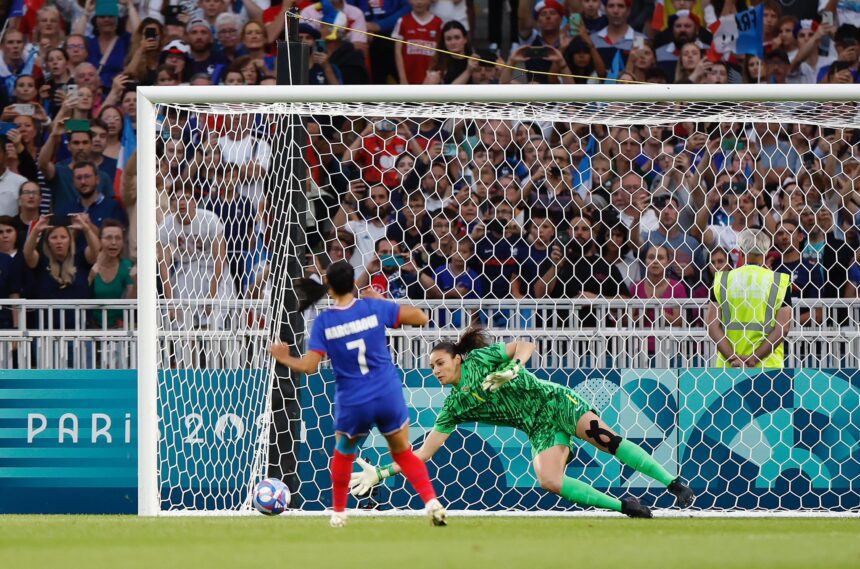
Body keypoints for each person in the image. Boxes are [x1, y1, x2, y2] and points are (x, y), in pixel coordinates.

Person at [348, 327, 695, 517]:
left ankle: (673, 482)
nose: (436, 371)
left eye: (440, 363)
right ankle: (626, 507)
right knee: (549, 481)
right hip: (538, 427)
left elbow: (524, 345)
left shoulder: (482, 359)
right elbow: (422, 453)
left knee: (604, 439)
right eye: (432, 368)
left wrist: (514, 367)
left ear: (457, 358)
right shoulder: (454, 407)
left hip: (555, 402)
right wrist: (380, 473)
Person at [269, 261, 447, 528]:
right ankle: (431, 501)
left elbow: (309, 367)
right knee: (402, 454)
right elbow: (422, 317)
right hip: (387, 393)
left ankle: (339, 513)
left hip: (354, 400)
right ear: (354, 282)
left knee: (343, 452)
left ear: (327, 282)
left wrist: (284, 357)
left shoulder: (325, 322)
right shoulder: (373, 307)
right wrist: (382, 299)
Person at [707, 229, 792, 369]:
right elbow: (782, 328)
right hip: (768, 365)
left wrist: (733, 359)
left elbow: (712, 326)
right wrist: (754, 359)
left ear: (740, 251)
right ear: (766, 252)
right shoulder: (779, 281)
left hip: (728, 367)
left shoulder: (722, 280)